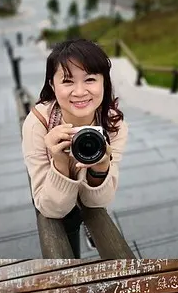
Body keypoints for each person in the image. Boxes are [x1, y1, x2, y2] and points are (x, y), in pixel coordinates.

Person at [22, 39, 129, 255]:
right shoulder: (37, 125)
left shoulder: (114, 125)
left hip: (89, 197)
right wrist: (60, 162)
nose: (80, 92)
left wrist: (101, 168)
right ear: (52, 85)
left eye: (90, 79)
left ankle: (88, 228)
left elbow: (100, 202)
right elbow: (49, 208)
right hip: (59, 204)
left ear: (104, 83)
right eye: (68, 81)